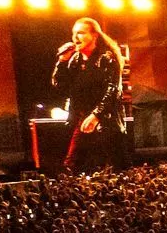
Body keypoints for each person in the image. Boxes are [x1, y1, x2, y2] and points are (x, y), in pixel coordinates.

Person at [51, 17, 124, 172]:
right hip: (82, 119)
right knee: (72, 165)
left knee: (112, 166)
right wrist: (62, 61)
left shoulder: (106, 58)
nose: (75, 38)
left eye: (81, 33)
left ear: (94, 36)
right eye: (74, 33)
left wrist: (96, 115)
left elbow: (113, 90)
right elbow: (60, 85)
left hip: (105, 120)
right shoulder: (75, 60)